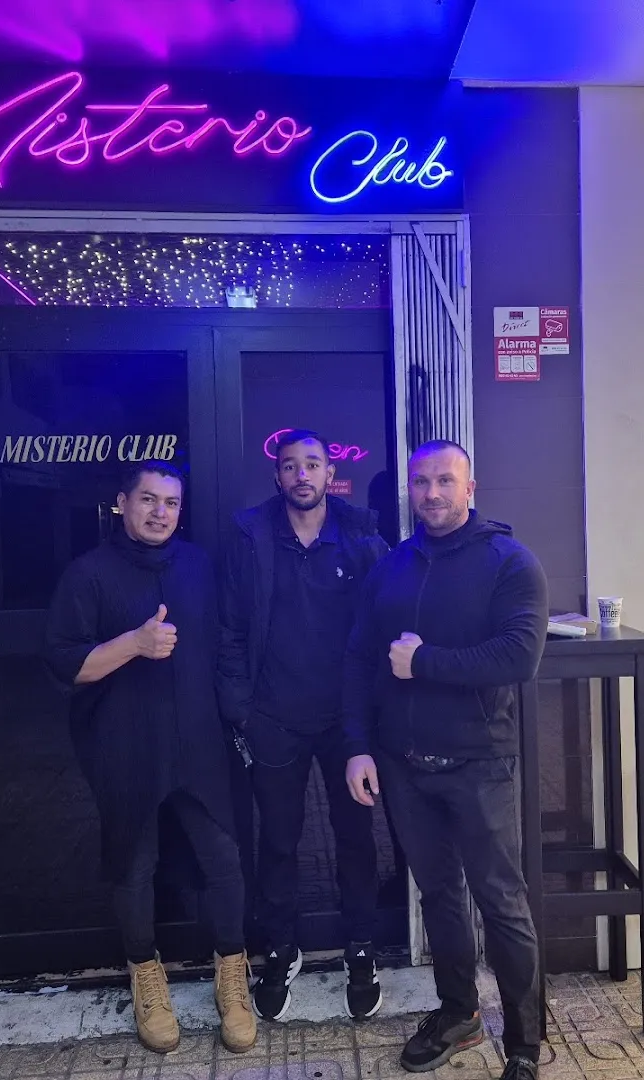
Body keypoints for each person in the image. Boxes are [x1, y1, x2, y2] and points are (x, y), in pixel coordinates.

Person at [342, 440, 549, 1080]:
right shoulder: (390, 567)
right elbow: (359, 661)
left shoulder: (511, 562)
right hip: (402, 765)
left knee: (501, 902)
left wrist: (424, 661)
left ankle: (524, 1042)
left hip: (480, 763)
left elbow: (519, 656)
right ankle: (459, 1014)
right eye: (419, 481)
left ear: (470, 487)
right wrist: (357, 746)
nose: (430, 493)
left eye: (443, 481)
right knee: (438, 895)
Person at [44, 462, 256, 1056]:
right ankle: (145, 973)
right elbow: (67, 666)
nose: (160, 512)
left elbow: (227, 641)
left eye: (171, 502)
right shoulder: (88, 574)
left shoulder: (199, 565)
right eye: (148, 499)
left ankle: (232, 971)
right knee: (134, 864)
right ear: (122, 502)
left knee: (223, 857)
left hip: (199, 740)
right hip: (125, 743)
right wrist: (133, 644)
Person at [218, 429, 390, 1021]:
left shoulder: (360, 537)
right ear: (278, 476)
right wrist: (241, 710)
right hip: (274, 718)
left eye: (312, 464)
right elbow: (230, 629)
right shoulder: (252, 537)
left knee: (356, 838)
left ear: (329, 474)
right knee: (279, 842)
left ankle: (360, 946)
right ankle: (281, 948)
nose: (301, 475)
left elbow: (385, 619)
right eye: (290, 466)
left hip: (347, 722)